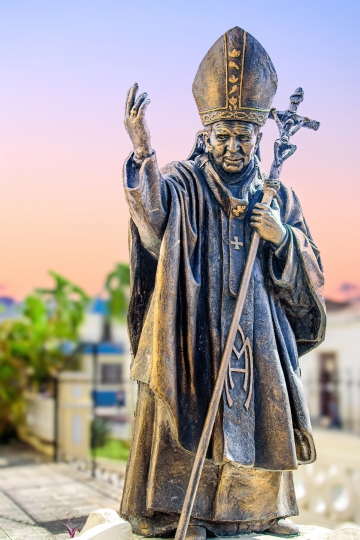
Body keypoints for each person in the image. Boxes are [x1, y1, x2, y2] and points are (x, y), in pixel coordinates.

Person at [120, 26, 326, 539]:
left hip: (256, 329)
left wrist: (280, 238)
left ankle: (256, 511)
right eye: (222, 136)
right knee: (190, 408)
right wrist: (143, 150)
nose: (233, 148)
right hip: (193, 320)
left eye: (244, 136)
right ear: (204, 136)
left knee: (261, 413)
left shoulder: (276, 193)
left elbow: (313, 269)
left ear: (259, 137)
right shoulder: (184, 182)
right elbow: (151, 217)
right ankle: (177, 512)